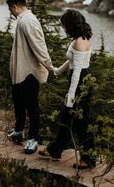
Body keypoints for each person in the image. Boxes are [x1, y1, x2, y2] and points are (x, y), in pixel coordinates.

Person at [39, 9, 96, 169]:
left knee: (79, 121)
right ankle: (56, 151)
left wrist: (71, 97)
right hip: (85, 79)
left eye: (64, 25)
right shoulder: (85, 37)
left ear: (69, 25)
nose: (63, 28)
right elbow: (75, 61)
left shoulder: (78, 41)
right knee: (73, 119)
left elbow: (77, 71)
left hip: (78, 82)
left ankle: (87, 159)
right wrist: (57, 71)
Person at [6, 0, 55, 154]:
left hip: (30, 73)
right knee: (18, 101)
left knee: (32, 106)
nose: (10, 13)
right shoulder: (23, 20)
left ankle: (33, 139)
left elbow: (39, 46)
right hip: (21, 72)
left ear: (14, 7)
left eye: (10, 9)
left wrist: (49, 67)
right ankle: (19, 131)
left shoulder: (28, 21)